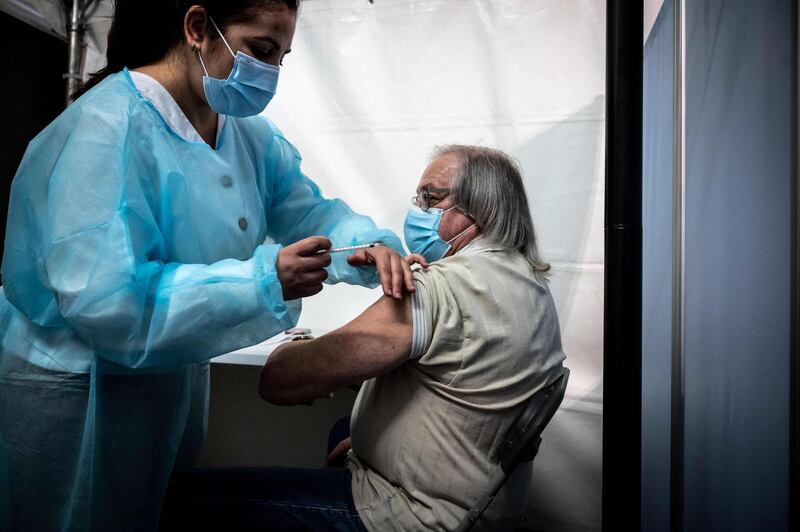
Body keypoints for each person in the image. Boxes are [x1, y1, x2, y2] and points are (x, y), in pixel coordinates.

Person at [0, 1, 417, 530]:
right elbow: (106, 301)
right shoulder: (104, 128)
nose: (269, 75)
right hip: (79, 394)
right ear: (198, 27)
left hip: (168, 379)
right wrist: (263, 281)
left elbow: (305, 209)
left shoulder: (244, 131)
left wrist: (363, 245)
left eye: (281, 58)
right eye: (261, 50)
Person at [162, 146, 567, 531]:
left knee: (177, 499)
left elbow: (280, 381)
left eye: (431, 199)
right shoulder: (528, 282)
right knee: (343, 429)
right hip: (484, 501)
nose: (418, 212)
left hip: (415, 515)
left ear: (478, 210)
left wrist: (286, 322)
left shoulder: (445, 288)